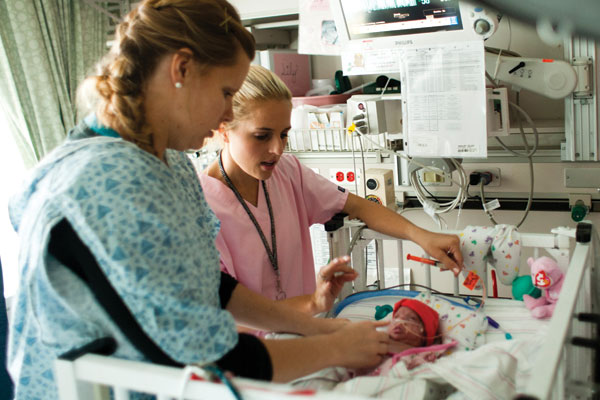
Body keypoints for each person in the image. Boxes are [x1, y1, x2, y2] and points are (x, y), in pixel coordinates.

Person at [6, 1, 390, 399]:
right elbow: (204, 359)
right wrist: (334, 348)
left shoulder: (169, 163)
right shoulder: (106, 183)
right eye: (226, 92)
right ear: (182, 69)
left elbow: (210, 284)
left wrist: (317, 324)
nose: (227, 113)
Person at [200, 65, 465, 317]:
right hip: (250, 352)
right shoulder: (201, 208)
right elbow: (221, 313)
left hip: (302, 333)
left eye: (284, 135)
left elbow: (359, 206)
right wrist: (313, 303)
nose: (277, 149)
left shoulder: (288, 173)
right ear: (224, 129)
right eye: (262, 136)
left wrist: (421, 236)